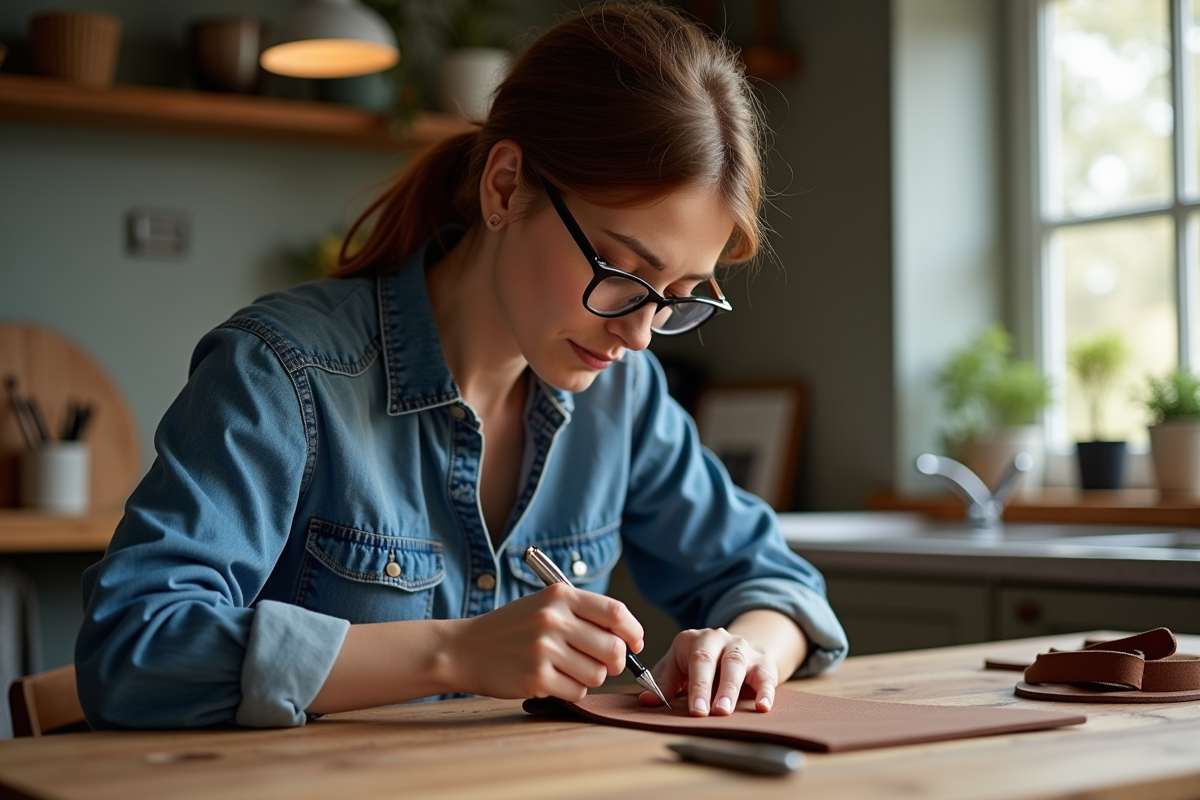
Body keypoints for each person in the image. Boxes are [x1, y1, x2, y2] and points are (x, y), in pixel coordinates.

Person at [76, 2, 847, 730]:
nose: (641, 335)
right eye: (620, 271)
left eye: (676, 296)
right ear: (505, 186)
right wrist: (456, 651)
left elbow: (778, 586)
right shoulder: (282, 372)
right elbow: (134, 646)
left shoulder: (626, 398)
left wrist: (746, 651)